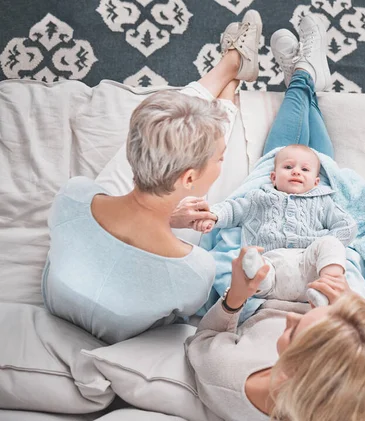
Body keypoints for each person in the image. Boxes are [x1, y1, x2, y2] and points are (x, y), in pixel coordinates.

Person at [185, 14, 365, 421]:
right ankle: (305, 74)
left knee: (289, 152)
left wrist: (236, 297)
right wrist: (354, 306)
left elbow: (204, 336)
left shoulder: (227, 381)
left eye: (292, 333)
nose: (289, 322)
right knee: (316, 161)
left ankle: (303, 76)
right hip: (321, 259)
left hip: (266, 281)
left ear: (291, 371)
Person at [42, 10, 264, 344]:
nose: (222, 162)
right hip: (133, 313)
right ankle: (230, 87)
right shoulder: (193, 268)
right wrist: (171, 222)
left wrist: (170, 219)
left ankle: (229, 70)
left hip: (66, 291)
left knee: (162, 132)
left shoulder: (74, 196)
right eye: (220, 158)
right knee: (185, 143)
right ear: (189, 179)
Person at [196, 143, 357, 304]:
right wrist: (213, 215)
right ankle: (257, 285)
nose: (296, 171)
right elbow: (232, 209)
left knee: (331, 244)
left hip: (310, 266)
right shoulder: (258, 198)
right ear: (273, 177)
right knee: (253, 264)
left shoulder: (323, 202)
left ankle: (328, 287)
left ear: (316, 183)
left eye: (305, 170)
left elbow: (347, 226)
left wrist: (325, 244)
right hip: (272, 266)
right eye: (288, 167)